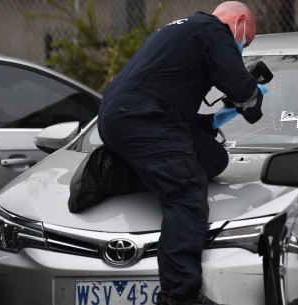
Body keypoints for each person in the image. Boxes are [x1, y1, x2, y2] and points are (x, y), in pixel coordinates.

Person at [97, 2, 266, 304]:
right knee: (186, 192)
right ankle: (179, 295)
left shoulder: (179, 30)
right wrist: (253, 98)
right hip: (143, 117)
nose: (242, 47)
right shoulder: (213, 30)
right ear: (239, 21)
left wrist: (214, 120)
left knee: (213, 158)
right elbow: (243, 90)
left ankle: (117, 172)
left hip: (125, 115)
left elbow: (167, 95)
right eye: (247, 40)